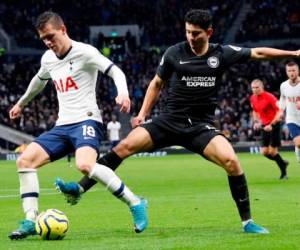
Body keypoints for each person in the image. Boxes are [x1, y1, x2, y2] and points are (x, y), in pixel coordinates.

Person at [57, 9, 300, 234]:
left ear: (209, 32)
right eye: (188, 32)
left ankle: (248, 222)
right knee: (122, 148)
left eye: (196, 33)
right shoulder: (174, 52)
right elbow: (156, 83)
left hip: (200, 126)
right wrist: (142, 114)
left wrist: (293, 53)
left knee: (232, 161)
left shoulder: (221, 53)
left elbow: (258, 53)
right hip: (168, 121)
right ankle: (79, 189)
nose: (191, 37)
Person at [8, 11, 147, 240]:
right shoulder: (48, 58)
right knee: (25, 160)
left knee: (85, 165)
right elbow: (38, 82)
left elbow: (116, 71)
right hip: (63, 126)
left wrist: (123, 92)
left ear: (63, 30)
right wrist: (21, 104)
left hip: (87, 119)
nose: (48, 42)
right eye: (43, 39)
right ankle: (31, 220)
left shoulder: (86, 52)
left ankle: (136, 202)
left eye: (51, 36)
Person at [250, 79, 289, 179]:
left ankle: (284, 174)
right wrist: (256, 122)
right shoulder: (253, 98)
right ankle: (282, 162)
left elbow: (280, 111)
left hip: (274, 124)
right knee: (264, 152)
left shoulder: (270, 97)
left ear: (262, 87)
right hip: (264, 125)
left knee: (272, 151)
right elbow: (254, 111)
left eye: (257, 87)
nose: (255, 89)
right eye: (253, 88)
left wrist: (271, 124)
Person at [278, 61, 300, 162]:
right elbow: (282, 100)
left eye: (293, 70)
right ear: (286, 72)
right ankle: (297, 148)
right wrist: (280, 111)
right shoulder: (283, 85)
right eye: (289, 70)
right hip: (292, 118)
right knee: (299, 142)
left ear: (298, 71)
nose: (291, 73)